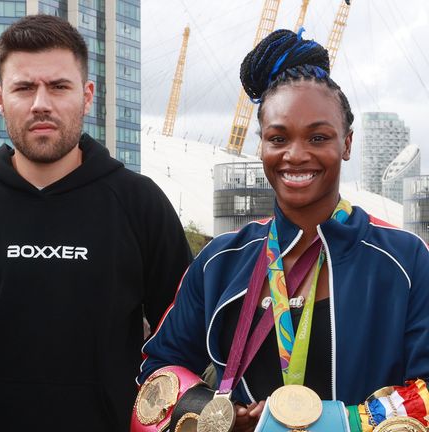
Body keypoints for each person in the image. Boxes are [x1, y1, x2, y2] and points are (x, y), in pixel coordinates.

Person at [137, 29, 429, 432]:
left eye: (318, 137)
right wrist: (217, 418)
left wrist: (341, 423)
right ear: (261, 146)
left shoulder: (406, 258)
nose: (295, 154)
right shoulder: (221, 260)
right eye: (278, 138)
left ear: (346, 143)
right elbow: (157, 372)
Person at [0, 14, 192, 432]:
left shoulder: (140, 205)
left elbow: (181, 338)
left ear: (87, 95)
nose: (40, 103)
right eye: (24, 87)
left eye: (58, 86)